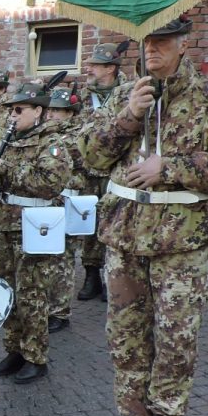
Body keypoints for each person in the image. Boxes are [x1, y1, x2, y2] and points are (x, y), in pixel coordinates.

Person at [81, 18, 208, 416]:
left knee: (177, 337)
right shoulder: (124, 96)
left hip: (183, 240)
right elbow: (89, 155)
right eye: (146, 42)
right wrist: (128, 117)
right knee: (125, 335)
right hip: (125, 237)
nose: (152, 50)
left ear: (183, 44)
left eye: (161, 42)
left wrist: (170, 167)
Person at [0, 80, 73, 384]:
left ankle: (35, 357)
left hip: (34, 226)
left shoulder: (51, 142)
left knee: (32, 294)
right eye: (11, 110)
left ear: (38, 111)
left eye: (19, 109)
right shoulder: (10, 140)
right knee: (7, 291)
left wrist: (7, 171)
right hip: (6, 224)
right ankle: (14, 349)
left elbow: (51, 183)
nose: (13, 115)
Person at [77, 41, 130, 300]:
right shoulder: (83, 95)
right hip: (88, 170)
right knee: (89, 223)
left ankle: (113, 277)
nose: (89, 69)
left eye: (95, 65)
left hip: (115, 172)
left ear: (111, 68)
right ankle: (91, 277)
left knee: (116, 222)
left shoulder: (129, 92)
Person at [44, 86, 88, 331]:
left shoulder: (77, 136)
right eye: (49, 110)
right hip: (50, 203)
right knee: (47, 257)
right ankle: (47, 306)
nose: (51, 115)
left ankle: (60, 312)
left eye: (57, 111)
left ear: (70, 113)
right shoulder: (48, 134)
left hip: (69, 201)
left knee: (63, 259)